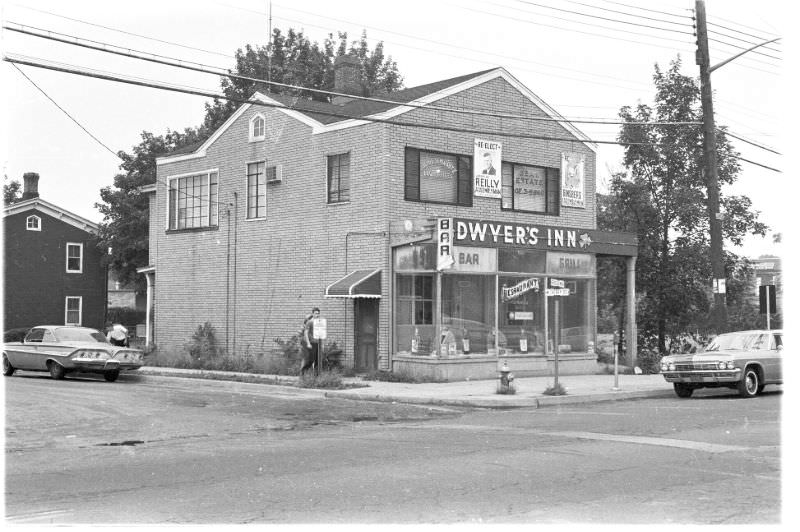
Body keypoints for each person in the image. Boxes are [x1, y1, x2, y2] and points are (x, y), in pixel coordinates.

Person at [300, 307, 321, 375]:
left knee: (318, 360)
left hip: (318, 343)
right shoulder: (310, 322)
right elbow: (305, 333)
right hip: (312, 343)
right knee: (311, 360)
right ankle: (303, 371)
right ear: (313, 314)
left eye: (318, 313)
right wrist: (308, 343)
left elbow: (320, 333)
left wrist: (321, 343)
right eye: (315, 313)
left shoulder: (319, 322)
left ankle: (316, 375)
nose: (317, 315)